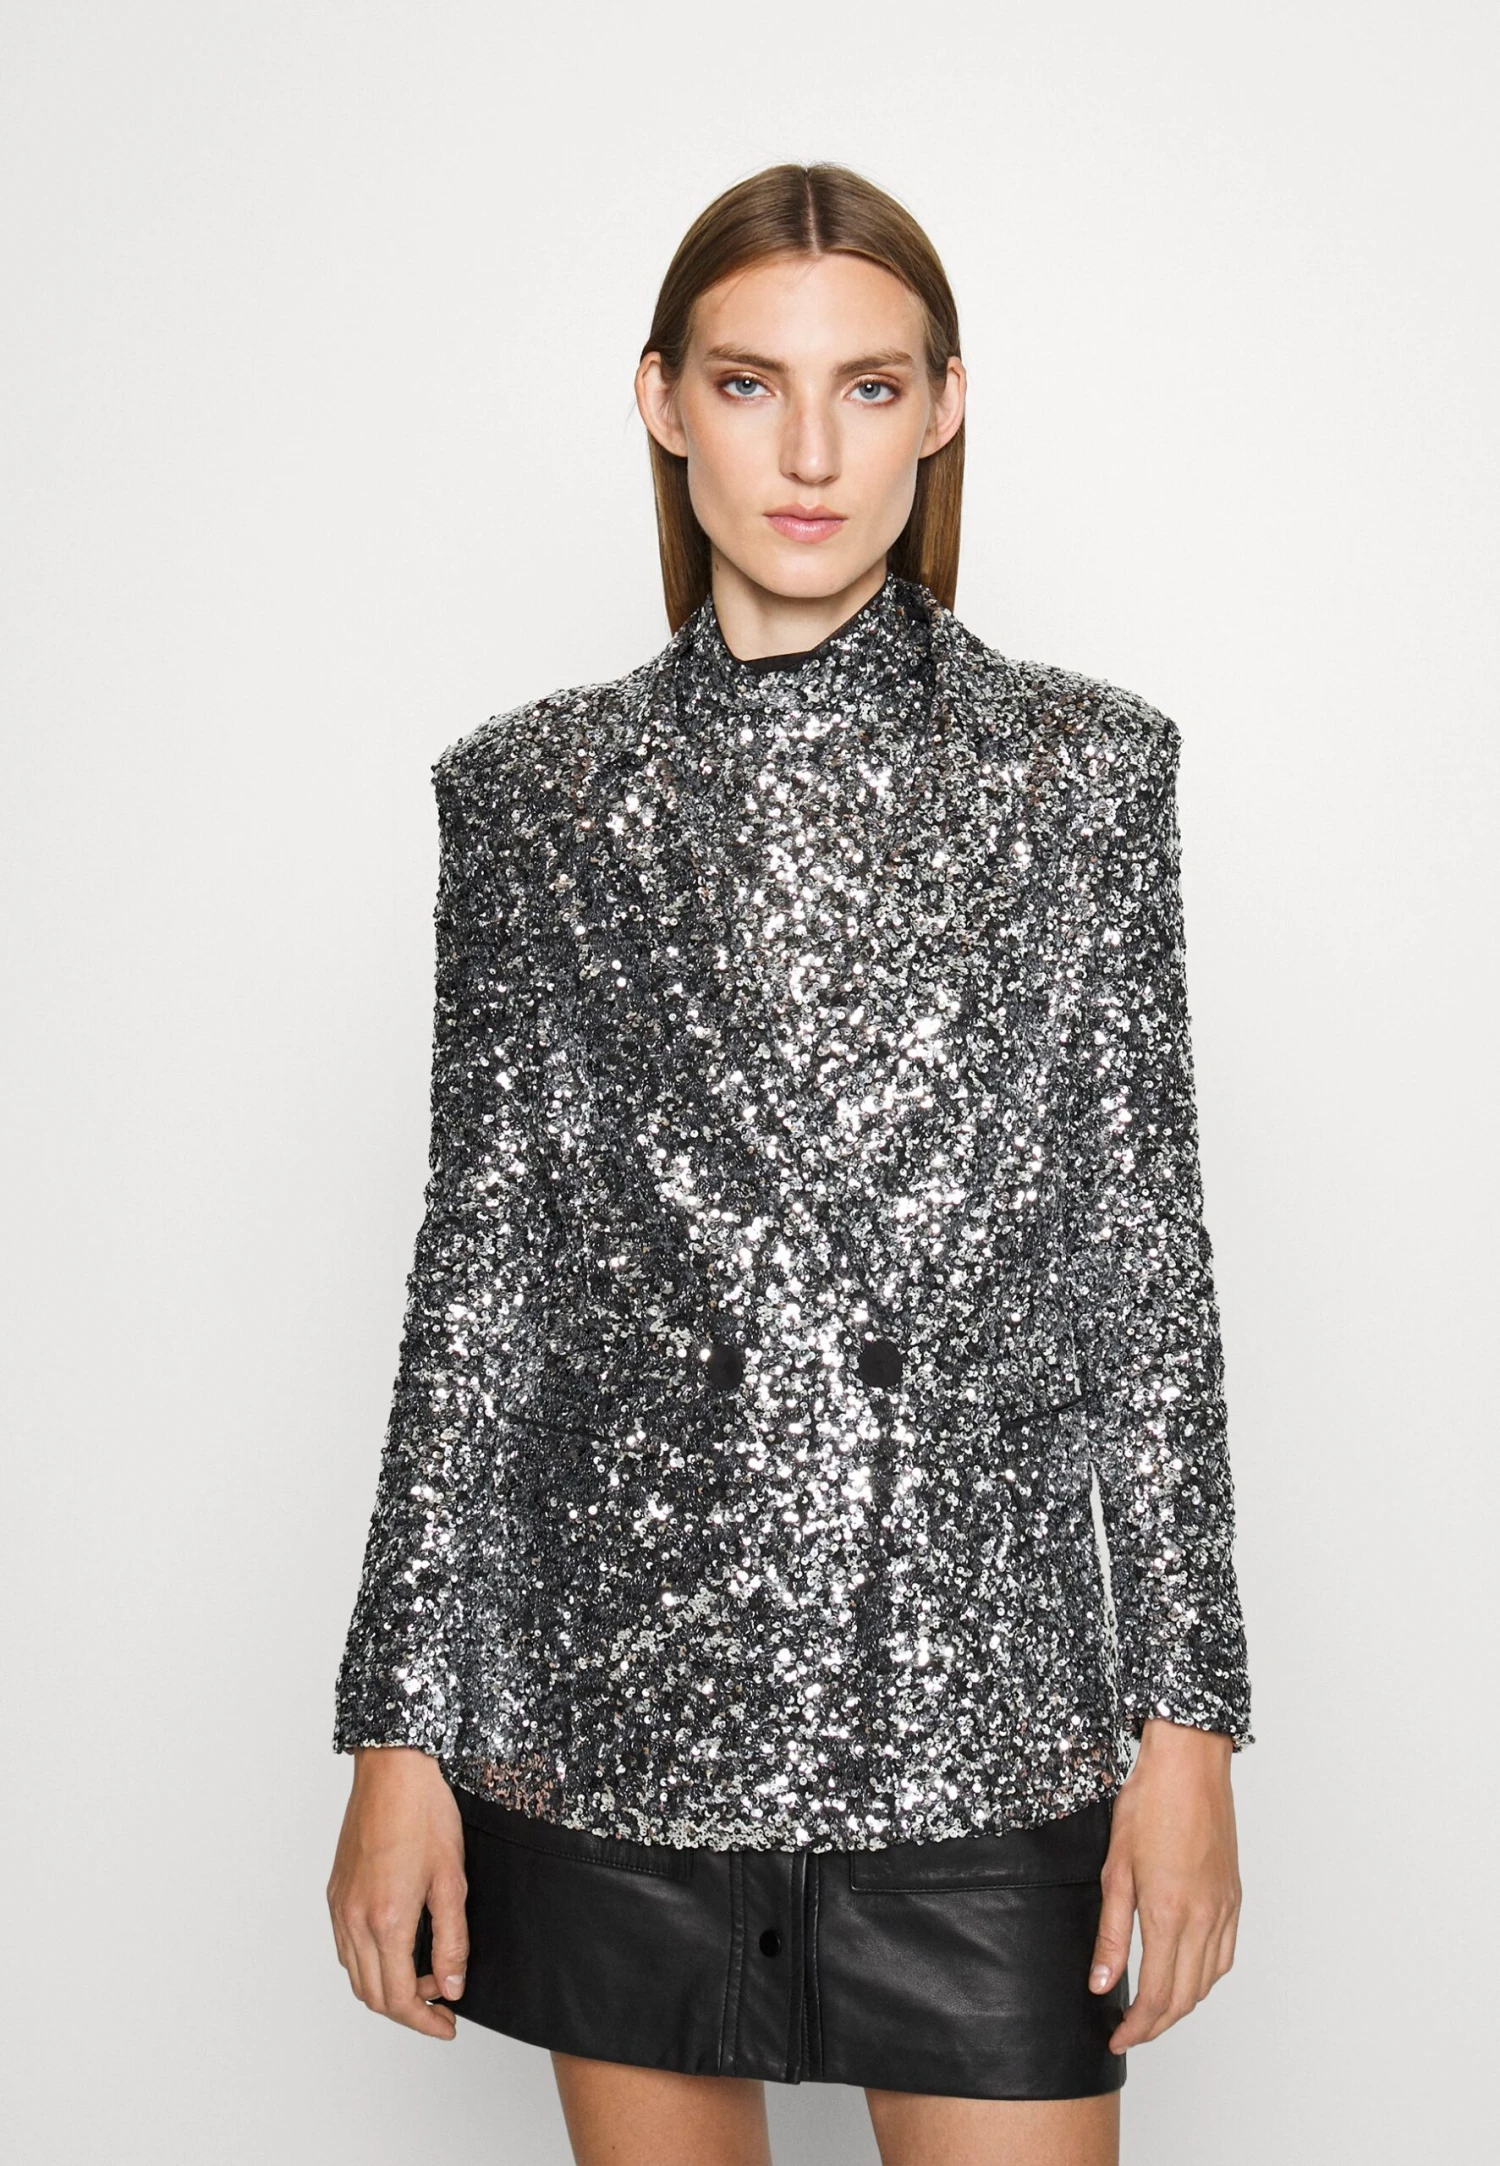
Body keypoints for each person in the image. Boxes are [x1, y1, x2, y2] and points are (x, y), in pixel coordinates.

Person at [327, 162, 1253, 2166]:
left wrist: (1188, 1731)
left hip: (983, 1710)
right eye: (751, 385)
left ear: (944, 406)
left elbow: (1141, 1266)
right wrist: (397, 1731)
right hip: (619, 1707)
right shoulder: (532, 797)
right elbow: (479, 1281)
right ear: (663, 401)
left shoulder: (1082, 774)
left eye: (869, 386)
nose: (812, 453)